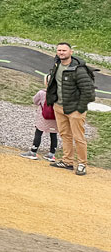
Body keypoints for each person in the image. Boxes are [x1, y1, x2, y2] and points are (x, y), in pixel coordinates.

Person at [45, 42, 96, 175]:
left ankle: (82, 164)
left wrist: (80, 108)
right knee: (65, 135)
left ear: (71, 52)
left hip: (74, 109)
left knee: (78, 137)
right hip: (59, 107)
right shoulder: (57, 64)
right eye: (59, 50)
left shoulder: (79, 69)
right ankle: (67, 161)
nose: (61, 52)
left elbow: (89, 92)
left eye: (64, 50)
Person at [20, 88, 58, 161]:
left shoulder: (42, 93)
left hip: (43, 117)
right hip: (55, 118)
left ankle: (33, 151)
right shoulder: (60, 93)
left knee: (38, 132)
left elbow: (35, 101)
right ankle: (52, 154)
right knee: (53, 134)